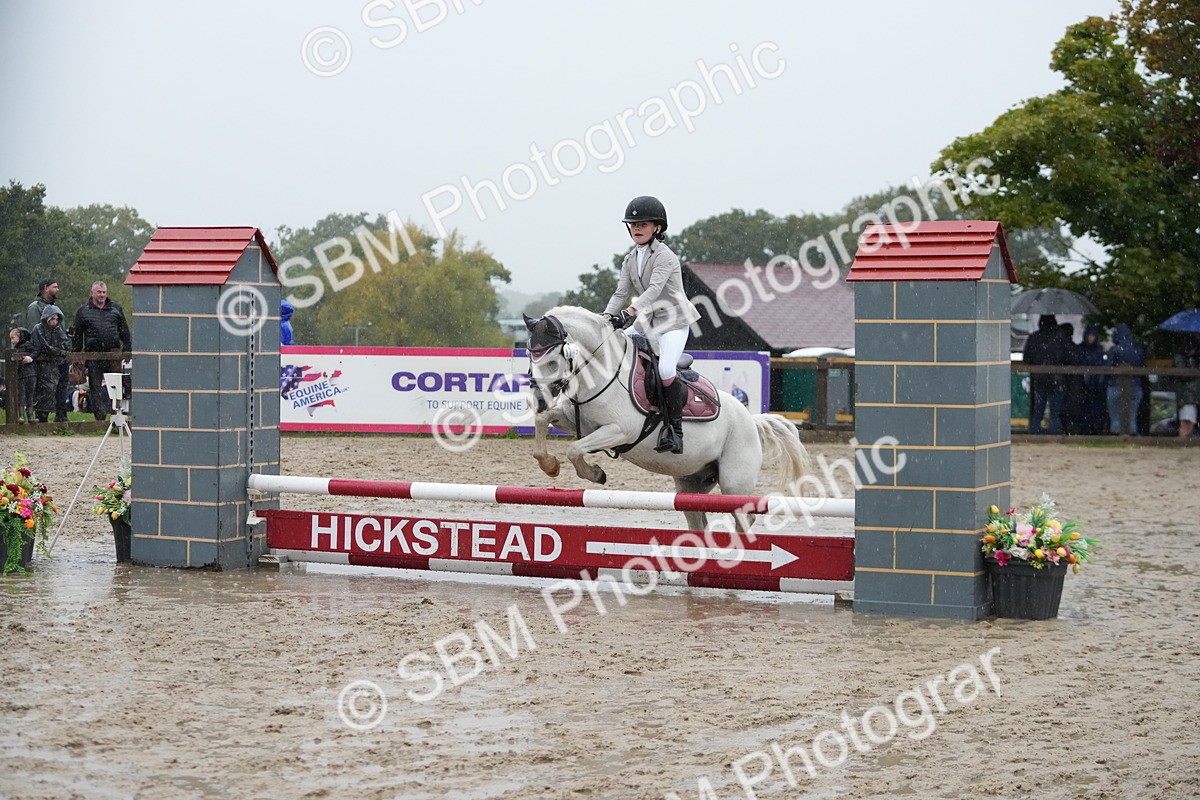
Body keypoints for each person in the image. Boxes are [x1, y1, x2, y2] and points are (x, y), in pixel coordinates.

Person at [602, 195, 700, 454]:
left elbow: (655, 290)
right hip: (648, 322)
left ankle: (675, 432)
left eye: (643, 224)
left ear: (657, 227)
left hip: (673, 322)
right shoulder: (629, 259)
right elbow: (620, 293)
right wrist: (604, 319)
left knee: (666, 369)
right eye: (633, 224)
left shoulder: (665, 257)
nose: (636, 228)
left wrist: (630, 312)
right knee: (614, 350)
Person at [72, 281, 131, 421]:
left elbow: (124, 331)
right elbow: (78, 334)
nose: (102, 295)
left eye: (104, 292)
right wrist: (76, 353)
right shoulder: (83, 311)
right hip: (93, 354)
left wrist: (128, 349)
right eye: (99, 292)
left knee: (117, 385)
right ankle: (100, 417)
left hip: (113, 353)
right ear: (92, 293)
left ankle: (117, 415)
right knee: (95, 386)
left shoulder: (116, 309)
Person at [26, 278, 71, 422]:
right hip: (44, 355)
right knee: (45, 386)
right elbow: (35, 332)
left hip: (58, 355)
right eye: (55, 287)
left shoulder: (55, 308)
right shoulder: (35, 307)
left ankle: (61, 414)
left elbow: (59, 332)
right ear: (45, 288)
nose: (58, 289)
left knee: (62, 385)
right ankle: (42, 415)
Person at [1022, 314, 1071, 434]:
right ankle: (1054, 433)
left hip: (1039, 378)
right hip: (1056, 378)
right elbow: (1068, 357)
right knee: (1055, 411)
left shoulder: (1034, 337)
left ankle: (1034, 433)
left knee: (1038, 409)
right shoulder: (1060, 337)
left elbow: (1026, 357)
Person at [1105, 323, 1146, 435]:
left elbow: (1108, 369)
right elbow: (1142, 368)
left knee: (1116, 417)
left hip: (1115, 385)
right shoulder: (1139, 349)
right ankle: (1131, 437)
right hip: (1135, 386)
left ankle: (1117, 437)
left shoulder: (1115, 350)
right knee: (1132, 416)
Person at [30, 306, 69, 423]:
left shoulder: (57, 329)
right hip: (41, 364)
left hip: (55, 364)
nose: (55, 322)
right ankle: (41, 416)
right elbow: (45, 347)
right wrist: (60, 352)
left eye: (57, 319)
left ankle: (57, 415)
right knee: (44, 390)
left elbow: (64, 342)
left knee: (57, 389)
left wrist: (63, 350)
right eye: (53, 319)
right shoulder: (38, 329)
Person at [1074, 324, 1108, 435]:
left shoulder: (1099, 351)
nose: (1090, 338)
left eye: (1093, 335)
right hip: (1083, 387)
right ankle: (1084, 431)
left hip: (1096, 387)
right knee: (1084, 411)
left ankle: (1095, 431)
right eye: (1089, 335)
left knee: (1096, 412)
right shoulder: (1080, 349)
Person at [1170, 334, 1200, 438]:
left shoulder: (1191, 358)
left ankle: (1183, 441)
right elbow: (1182, 375)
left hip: (1191, 395)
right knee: (1186, 422)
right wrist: (1195, 371)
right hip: (1186, 395)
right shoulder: (1181, 357)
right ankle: (1181, 441)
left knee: (1190, 421)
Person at [8, 328, 37, 424]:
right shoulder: (16, 349)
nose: (12, 341)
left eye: (13, 338)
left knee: (30, 395)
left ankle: (30, 415)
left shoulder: (27, 345)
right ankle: (21, 415)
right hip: (21, 375)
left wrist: (30, 358)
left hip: (30, 373)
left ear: (19, 337)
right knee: (21, 395)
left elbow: (36, 351)